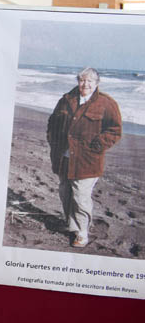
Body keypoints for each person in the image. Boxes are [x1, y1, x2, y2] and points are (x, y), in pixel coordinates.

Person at [46, 67, 122, 248]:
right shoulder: (66, 100)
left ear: (96, 84)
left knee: (80, 197)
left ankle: (82, 233)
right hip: (64, 158)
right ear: (77, 81)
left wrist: (97, 146)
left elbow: (115, 130)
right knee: (65, 193)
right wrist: (53, 142)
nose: (85, 84)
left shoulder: (106, 103)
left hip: (88, 160)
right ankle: (72, 226)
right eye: (82, 80)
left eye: (89, 81)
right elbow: (52, 123)